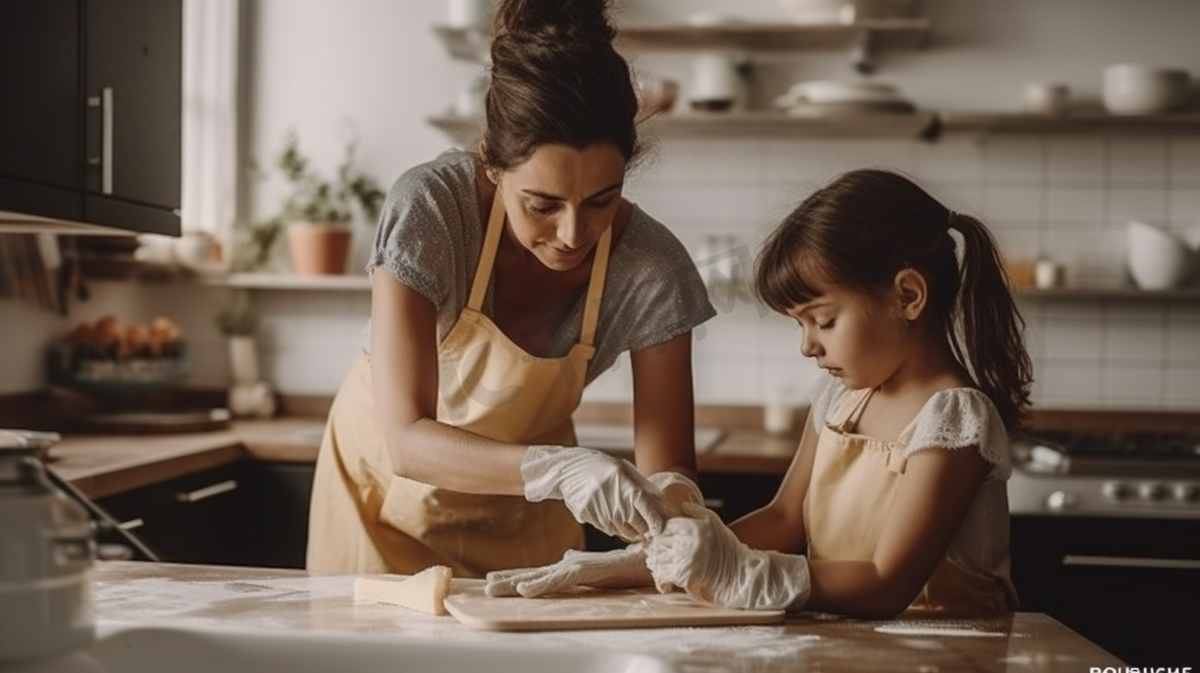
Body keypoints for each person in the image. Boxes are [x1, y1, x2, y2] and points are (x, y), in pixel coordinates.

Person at [488, 168, 1032, 618]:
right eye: (801, 326)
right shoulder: (841, 401)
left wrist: (739, 572)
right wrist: (646, 560)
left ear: (908, 296)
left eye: (823, 320)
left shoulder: (954, 419)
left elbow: (886, 582)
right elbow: (784, 518)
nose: (808, 348)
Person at [305, 0, 715, 578]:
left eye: (602, 200)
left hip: (526, 520)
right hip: (381, 502)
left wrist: (673, 509)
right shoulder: (432, 210)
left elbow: (671, 467)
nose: (573, 234)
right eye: (542, 204)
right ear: (491, 164)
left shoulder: (653, 267)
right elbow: (406, 440)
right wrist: (563, 470)